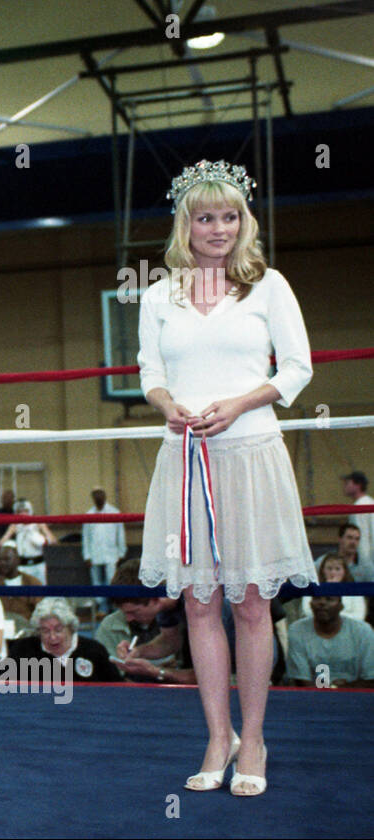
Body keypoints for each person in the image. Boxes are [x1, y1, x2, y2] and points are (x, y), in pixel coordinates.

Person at [137, 160, 316, 797]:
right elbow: (148, 373)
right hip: (186, 458)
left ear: (245, 223)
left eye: (230, 216)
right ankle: (219, 735)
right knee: (199, 601)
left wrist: (239, 403)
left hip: (252, 454)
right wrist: (168, 406)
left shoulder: (268, 286)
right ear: (185, 225)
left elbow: (298, 369)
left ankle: (257, 738)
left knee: (250, 601)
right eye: (206, 217)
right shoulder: (158, 295)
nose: (219, 228)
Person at [6, 598, 120, 683]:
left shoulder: (94, 651)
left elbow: (116, 689)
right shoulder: (22, 650)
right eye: (45, 631)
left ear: (70, 627)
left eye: (58, 630)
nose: (52, 637)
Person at [286, 595, 374, 687]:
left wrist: (342, 689)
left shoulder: (362, 630)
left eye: (329, 599)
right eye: (317, 598)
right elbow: (300, 679)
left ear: (341, 606)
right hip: (311, 696)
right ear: (310, 604)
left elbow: (370, 678)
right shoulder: (297, 630)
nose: (322, 603)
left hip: (357, 695)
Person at [82, 487, 126, 615]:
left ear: (105, 497)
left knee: (112, 581)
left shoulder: (115, 512)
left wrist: (121, 553)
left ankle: (114, 607)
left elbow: (120, 535)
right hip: (94, 554)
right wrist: (86, 556)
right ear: (93, 498)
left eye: (100, 495)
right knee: (97, 582)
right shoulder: (89, 515)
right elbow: (86, 537)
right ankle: (102, 607)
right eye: (96, 496)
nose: (98, 498)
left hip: (111, 554)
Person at [0, 498, 55, 582]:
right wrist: (10, 531)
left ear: (30, 511)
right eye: (19, 511)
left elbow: (53, 541)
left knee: (41, 590)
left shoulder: (38, 523)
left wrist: (43, 529)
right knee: (23, 591)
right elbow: (0, 545)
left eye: (25, 511)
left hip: (38, 564)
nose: (23, 514)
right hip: (22, 565)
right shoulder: (15, 526)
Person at [300, 554, 366, 624]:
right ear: (323, 571)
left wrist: (333, 616)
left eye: (337, 569)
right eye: (329, 569)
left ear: (344, 572)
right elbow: (307, 611)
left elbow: (359, 615)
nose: (333, 573)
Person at [0, 543, 42, 621]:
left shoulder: (32, 582)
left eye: (6, 559)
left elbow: (40, 613)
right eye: (0, 560)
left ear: (18, 560)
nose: (2, 563)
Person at [341, 472, 374, 570]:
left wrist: (363, 563)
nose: (344, 487)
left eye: (347, 483)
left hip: (367, 560)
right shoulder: (370, 502)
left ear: (358, 485)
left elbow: (361, 536)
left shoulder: (359, 507)